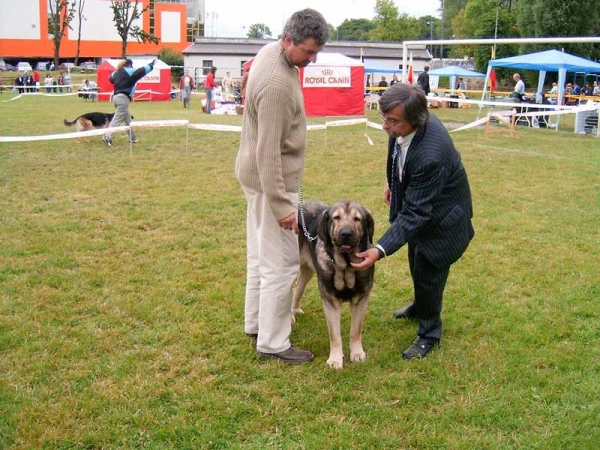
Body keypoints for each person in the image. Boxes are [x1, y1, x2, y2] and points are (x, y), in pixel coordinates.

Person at [351, 83, 474, 360]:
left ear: (415, 119)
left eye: (392, 121)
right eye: (384, 118)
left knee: (429, 269)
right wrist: (392, 182)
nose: (385, 127)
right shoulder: (403, 125)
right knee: (416, 261)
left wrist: (379, 249)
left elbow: (417, 214)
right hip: (424, 212)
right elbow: (397, 154)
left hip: (443, 223)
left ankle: (429, 332)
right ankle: (421, 305)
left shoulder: (432, 154)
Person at [235, 8, 329, 364]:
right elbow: (268, 152)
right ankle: (273, 343)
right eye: (308, 51)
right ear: (288, 39)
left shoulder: (271, 53)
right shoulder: (277, 84)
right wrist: (282, 207)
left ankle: (256, 323)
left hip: (255, 178)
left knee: (260, 255)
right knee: (282, 264)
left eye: (316, 52)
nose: (312, 59)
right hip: (269, 182)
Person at [102, 58, 155, 147]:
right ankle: (107, 136)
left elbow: (110, 78)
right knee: (117, 119)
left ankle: (133, 138)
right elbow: (142, 71)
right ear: (130, 65)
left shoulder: (116, 73)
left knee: (127, 119)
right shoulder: (130, 71)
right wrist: (151, 64)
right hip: (123, 98)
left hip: (115, 97)